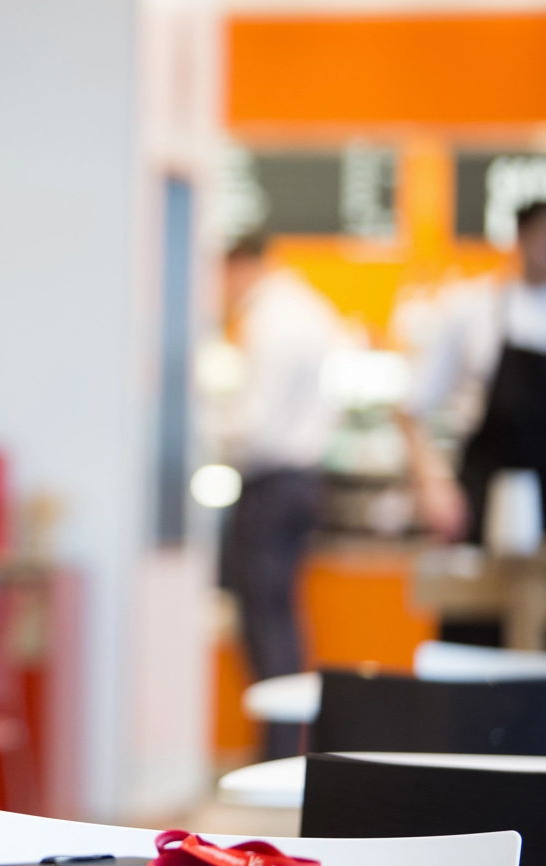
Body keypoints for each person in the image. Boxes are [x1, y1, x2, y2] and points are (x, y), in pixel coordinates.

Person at [401, 200, 546, 643]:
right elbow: (410, 408)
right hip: (480, 497)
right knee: (474, 632)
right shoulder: (471, 309)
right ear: (522, 237)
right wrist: (434, 486)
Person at [213, 234, 344, 761]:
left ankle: (279, 752)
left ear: (240, 265)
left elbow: (257, 423)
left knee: (264, 621)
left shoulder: (267, 319)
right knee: (281, 617)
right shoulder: (313, 308)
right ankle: (286, 747)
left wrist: (209, 426)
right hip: (304, 482)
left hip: (270, 486)